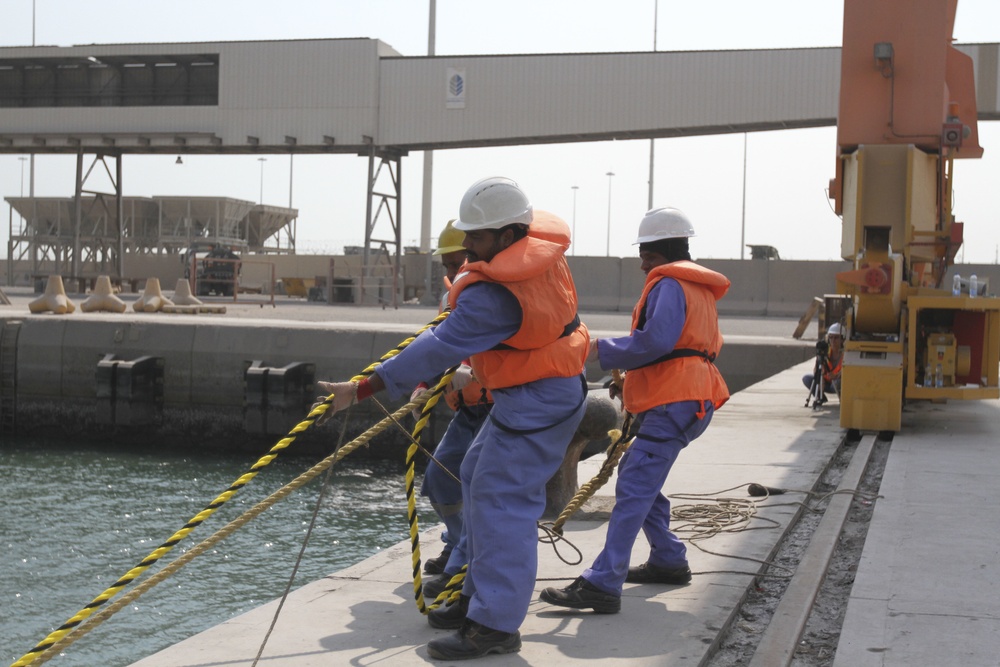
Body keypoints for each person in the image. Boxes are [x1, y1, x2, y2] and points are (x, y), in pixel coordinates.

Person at [314, 176, 589, 660]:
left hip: (537, 403)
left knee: (502, 508)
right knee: (471, 477)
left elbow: (435, 349)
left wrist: (360, 389)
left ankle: (495, 626)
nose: (467, 246)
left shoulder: (493, 295)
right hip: (536, 394)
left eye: (476, 237)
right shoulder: (532, 255)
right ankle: (474, 598)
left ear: (508, 236)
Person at [539, 207, 730, 614]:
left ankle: (603, 583)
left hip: (676, 402)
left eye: (645, 252)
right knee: (637, 477)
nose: (642, 262)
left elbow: (656, 342)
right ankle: (668, 559)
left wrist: (599, 351)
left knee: (634, 486)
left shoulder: (669, 285)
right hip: (691, 399)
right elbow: (681, 346)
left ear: (659, 249)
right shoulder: (695, 287)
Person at [417, 220, 494, 597]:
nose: (451, 272)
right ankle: (457, 542)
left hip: (500, 408)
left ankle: (467, 561)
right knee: (438, 477)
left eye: (456, 262)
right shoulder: (453, 296)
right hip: (469, 409)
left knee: (480, 484)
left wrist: (473, 367)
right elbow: (435, 345)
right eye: (446, 266)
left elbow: (509, 346)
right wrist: (419, 386)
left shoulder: (497, 291)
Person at [802, 322, 844, 397]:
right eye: (831, 337)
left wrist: (836, 375)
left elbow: (848, 371)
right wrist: (820, 379)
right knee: (807, 379)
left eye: (836, 337)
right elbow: (816, 369)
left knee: (838, 383)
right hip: (824, 383)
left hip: (837, 384)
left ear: (842, 339)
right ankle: (820, 397)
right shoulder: (825, 352)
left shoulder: (846, 354)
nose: (833, 340)